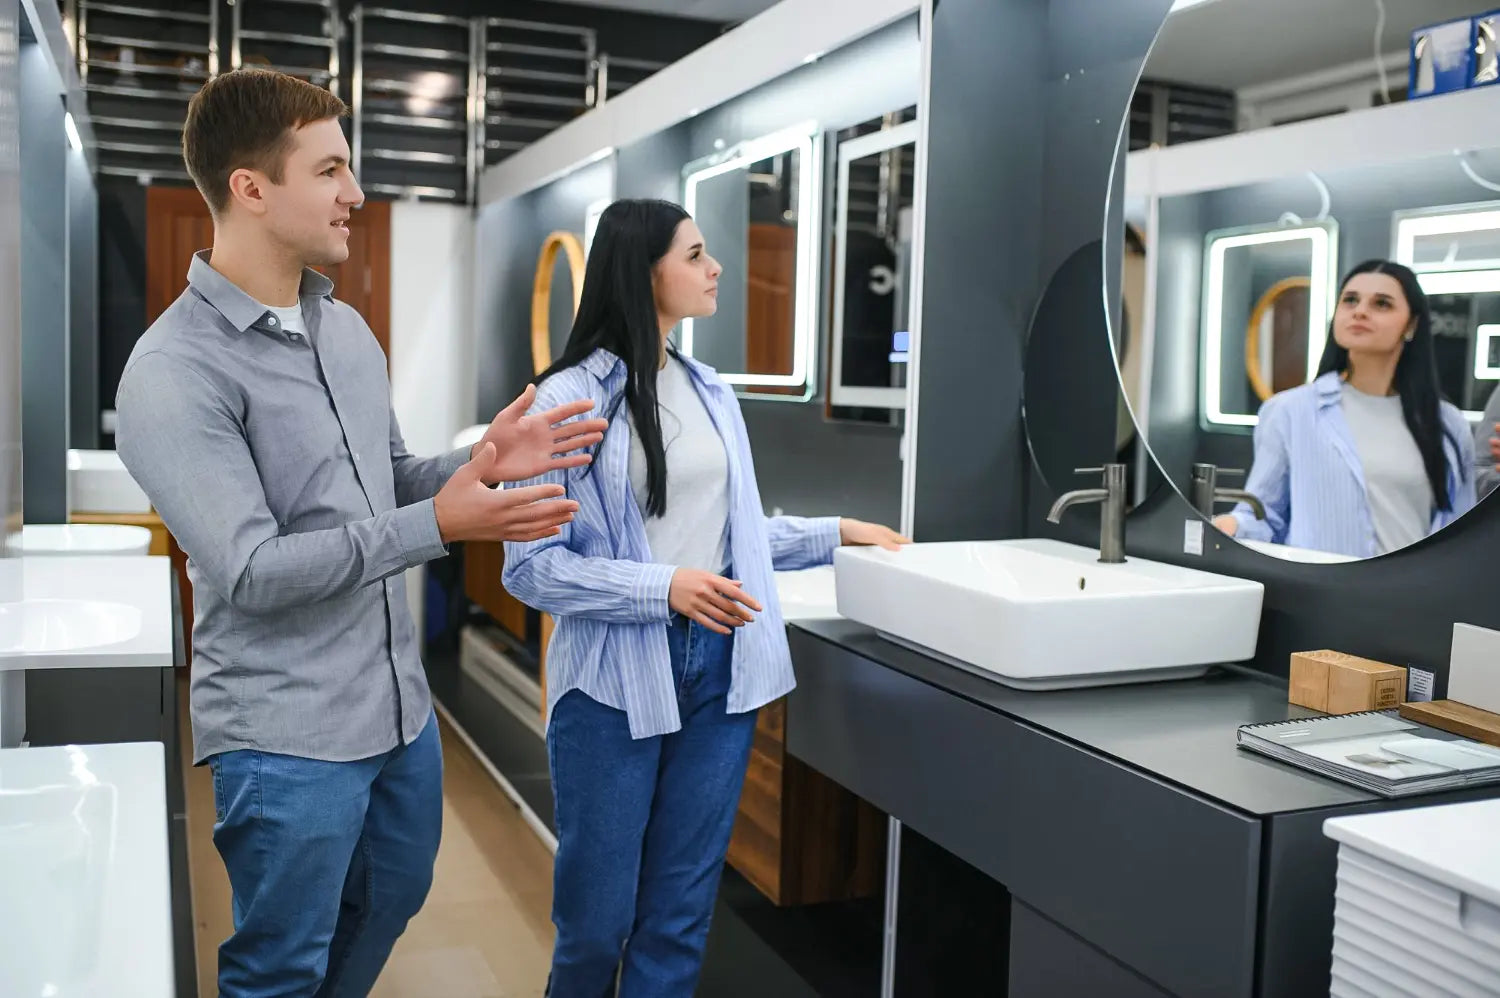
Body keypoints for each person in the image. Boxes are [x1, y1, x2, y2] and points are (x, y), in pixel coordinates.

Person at [113, 69, 607, 996]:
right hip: (285, 733)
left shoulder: (344, 332)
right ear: (251, 188)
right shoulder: (172, 372)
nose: (357, 193)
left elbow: (388, 483)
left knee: (392, 898)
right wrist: (439, 521)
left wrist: (476, 468)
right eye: (331, 169)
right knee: (278, 966)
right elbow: (254, 570)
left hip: (396, 711)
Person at [502, 198, 909, 996]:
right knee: (595, 926)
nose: (715, 267)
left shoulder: (711, 392)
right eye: (694, 254)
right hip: (613, 688)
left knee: (681, 919)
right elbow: (532, 569)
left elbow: (737, 536)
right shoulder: (565, 401)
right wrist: (667, 591)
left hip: (722, 675)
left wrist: (840, 531)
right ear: (641, 269)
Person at [1213, 259, 1475, 558]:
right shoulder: (1290, 411)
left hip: (1414, 597)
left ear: (1411, 324)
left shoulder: (1447, 424)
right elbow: (1264, 514)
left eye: (1382, 304)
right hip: (1320, 597)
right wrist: (1231, 524)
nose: (1360, 311)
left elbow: (1460, 533)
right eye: (1350, 300)